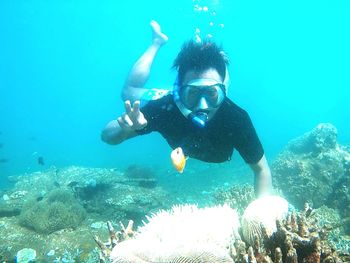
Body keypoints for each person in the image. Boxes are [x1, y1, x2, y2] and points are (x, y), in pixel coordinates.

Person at [101, 20, 272, 197]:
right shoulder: (165, 107)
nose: (203, 105)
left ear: (223, 91)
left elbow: (261, 171)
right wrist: (125, 128)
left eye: (212, 93)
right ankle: (157, 42)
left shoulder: (236, 118)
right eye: (193, 93)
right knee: (128, 92)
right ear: (179, 90)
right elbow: (107, 136)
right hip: (170, 97)